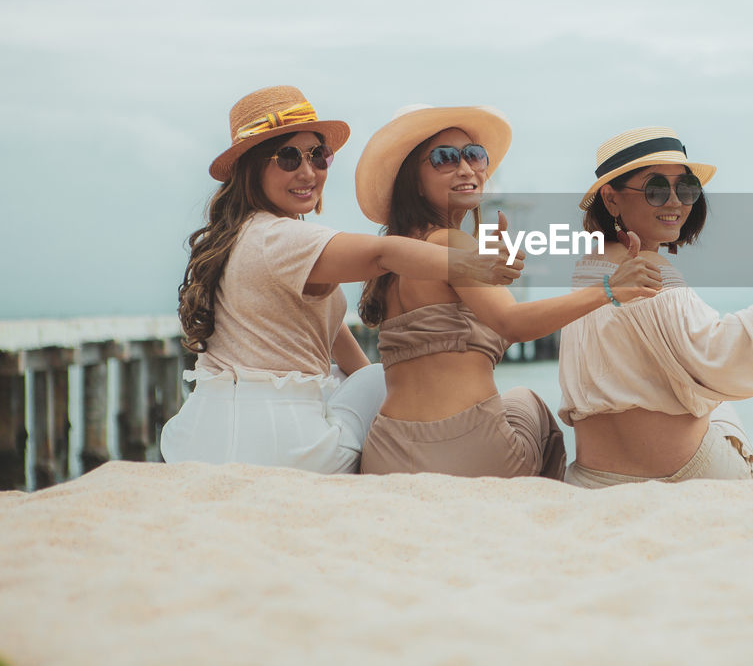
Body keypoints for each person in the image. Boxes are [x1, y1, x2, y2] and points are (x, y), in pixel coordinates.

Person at [161, 85, 525, 474]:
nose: (308, 172)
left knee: (366, 375)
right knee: (387, 381)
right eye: (288, 157)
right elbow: (382, 253)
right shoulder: (286, 238)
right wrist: (469, 263)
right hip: (283, 447)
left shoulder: (234, 239)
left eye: (319, 156)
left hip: (200, 439)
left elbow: (337, 341)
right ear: (252, 168)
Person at [353, 105, 662, 479]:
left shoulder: (399, 256)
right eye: (444, 158)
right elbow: (513, 323)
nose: (466, 168)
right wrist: (610, 288)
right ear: (413, 182)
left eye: (474, 155)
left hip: (386, 450)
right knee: (531, 406)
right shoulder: (452, 243)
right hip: (462, 445)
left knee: (515, 401)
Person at [557, 126, 753, 487]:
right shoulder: (652, 270)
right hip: (679, 477)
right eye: (655, 189)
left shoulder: (588, 271)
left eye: (685, 188)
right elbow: (724, 354)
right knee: (723, 408)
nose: (674, 202)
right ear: (611, 199)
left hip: (592, 478)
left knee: (711, 404)